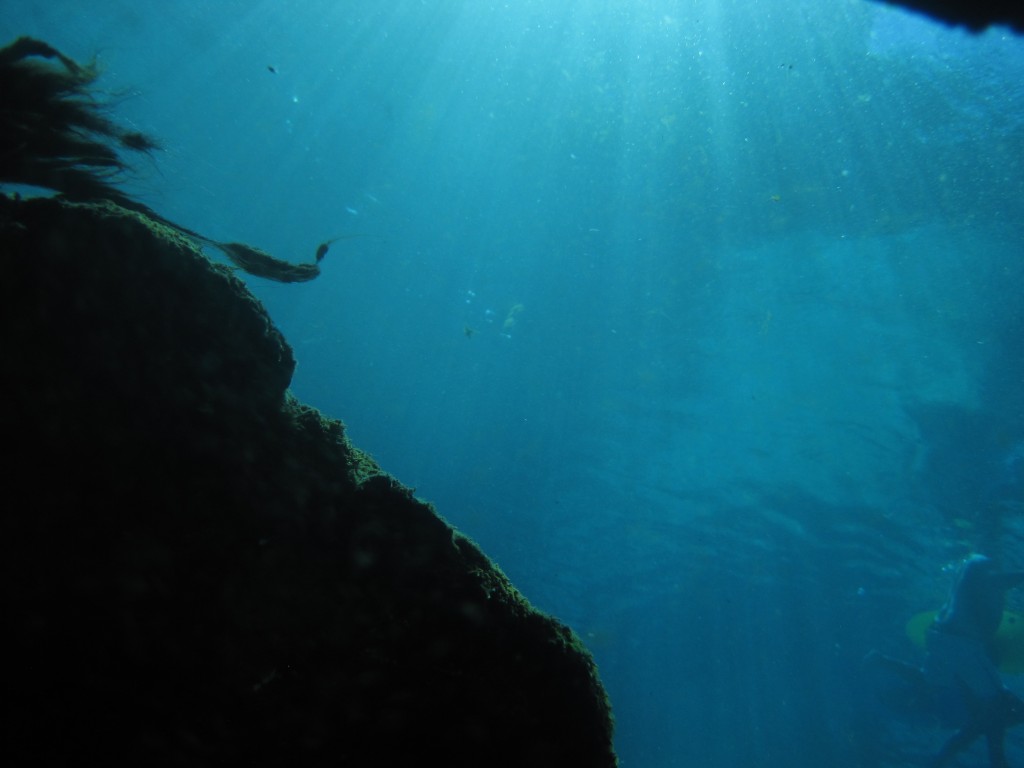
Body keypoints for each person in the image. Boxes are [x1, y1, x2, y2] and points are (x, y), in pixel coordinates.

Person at [923, 554, 1024, 768]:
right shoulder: (980, 562)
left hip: (939, 637)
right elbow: (996, 580)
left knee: (990, 709)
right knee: (1001, 704)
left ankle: (944, 757)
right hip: (959, 644)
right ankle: (996, 759)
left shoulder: (965, 566)